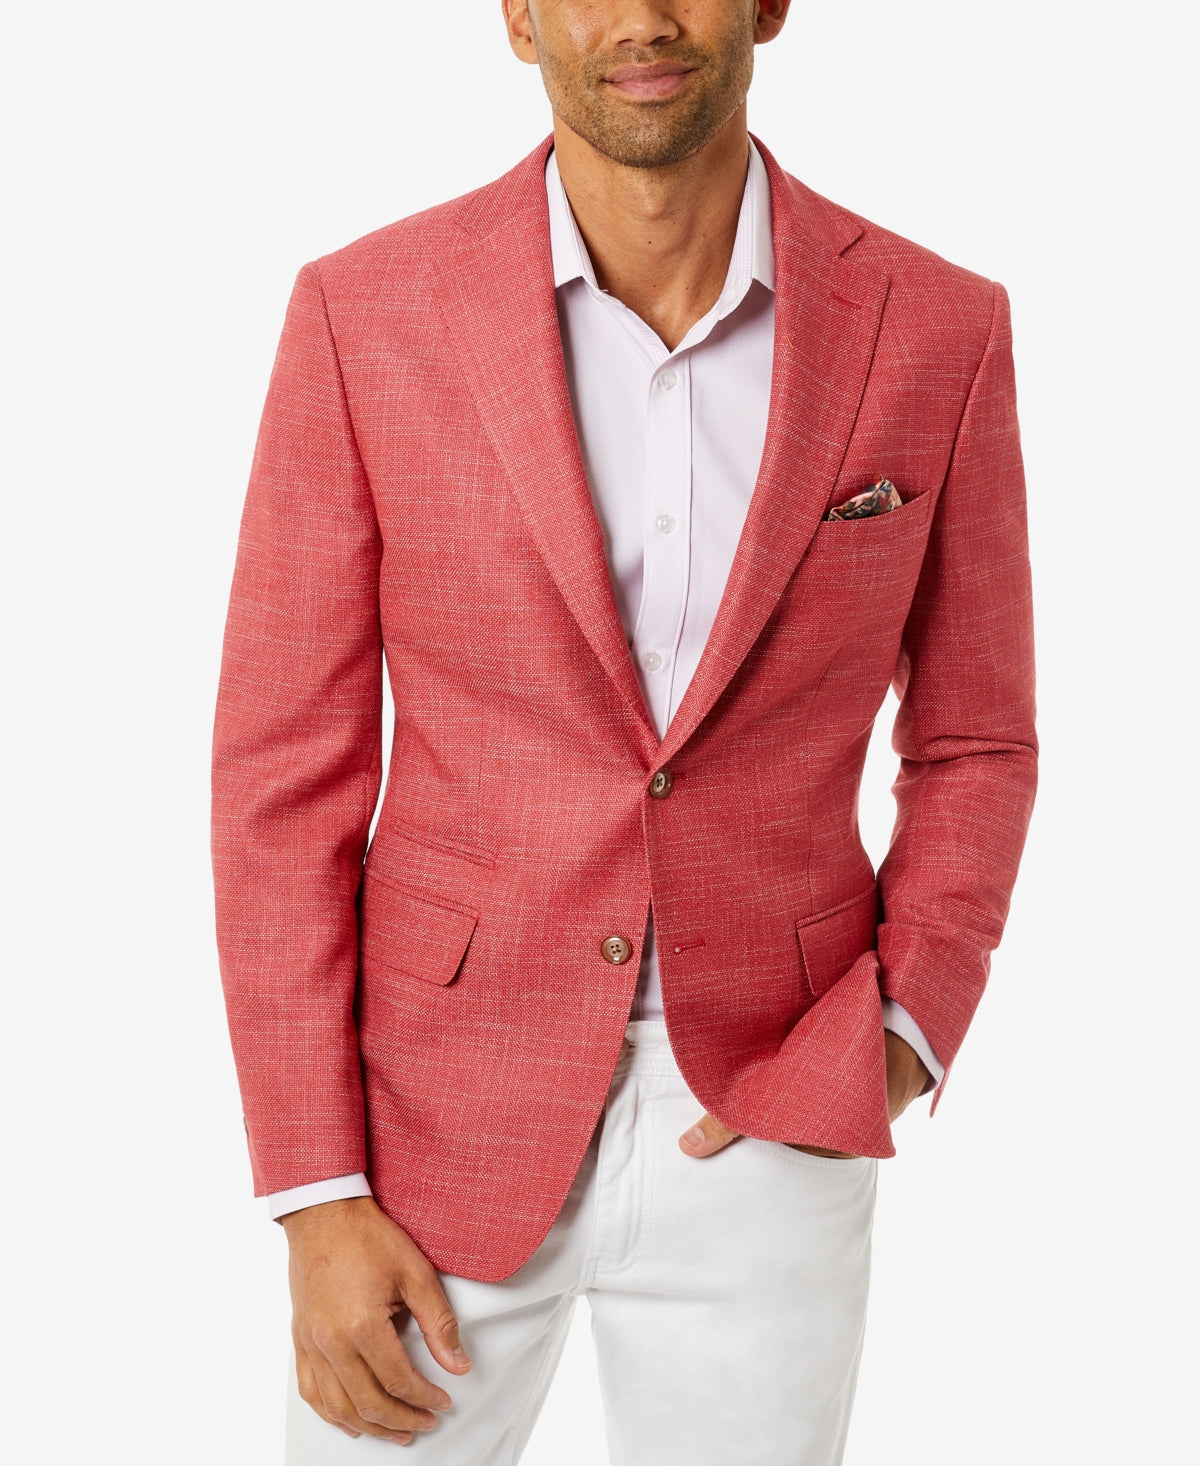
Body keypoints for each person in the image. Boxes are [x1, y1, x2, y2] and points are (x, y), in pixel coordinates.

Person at [211, 2, 1038, 1461]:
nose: (641, 18)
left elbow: (977, 736)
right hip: (429, 1118)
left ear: (771, 3)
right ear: (517, 16)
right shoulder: (364, 314)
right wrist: (314, 1186)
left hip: (775, 1102)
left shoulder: (938, 325)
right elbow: (285, 774)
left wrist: (901, 1032)